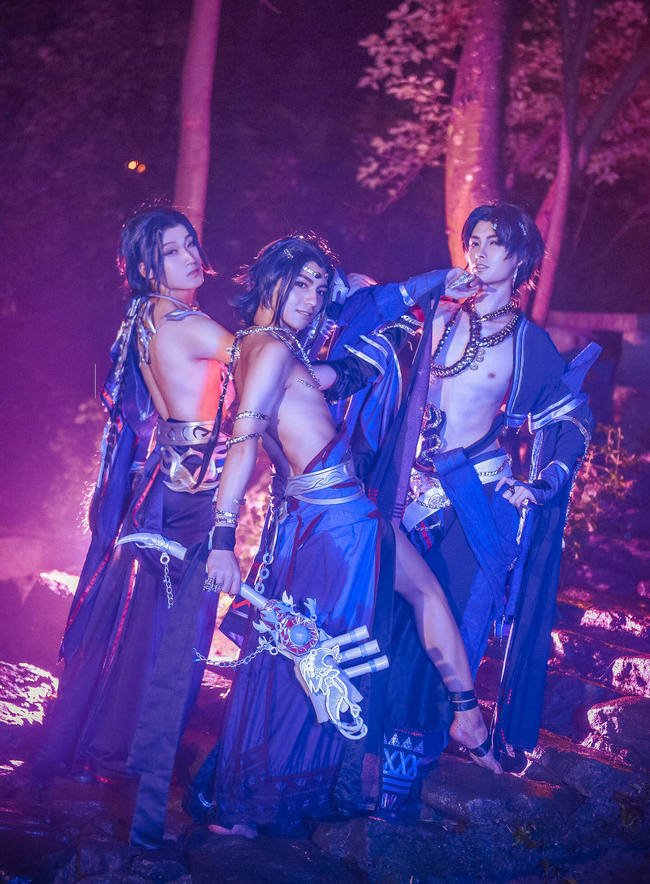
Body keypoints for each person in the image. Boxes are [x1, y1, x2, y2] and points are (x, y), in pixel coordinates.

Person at [186, 233, 501, 838]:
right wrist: (223, 539)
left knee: (307, 649)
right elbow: (244, 441)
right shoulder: (270, 349)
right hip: (339, 521)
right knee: (326, 647)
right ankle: (465, 722)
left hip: (320, 517)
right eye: (299, 283)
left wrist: (410, 318)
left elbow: (346, 374)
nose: (311, 298)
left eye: (318, 287)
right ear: (269, 280)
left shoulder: (267, 348)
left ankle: (248, 800)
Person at [366, 202, 599, 806]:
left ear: (520, 258)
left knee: (443, 621)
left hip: (468, 500)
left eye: (494, 241)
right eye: (474, 239)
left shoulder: (528, 344)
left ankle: (407, 768)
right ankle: (361, 755)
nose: (479, 249)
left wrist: (541, 483)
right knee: (383, 616)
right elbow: (369, 336)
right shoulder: (438, 315)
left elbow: (569, 419)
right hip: (401, 493)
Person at [35, 207, 234, 783]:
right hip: (191, 497)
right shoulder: (188, 324)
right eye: (172, 251)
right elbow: (276, 368)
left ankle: (114, 751)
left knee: (145, 626)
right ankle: (130, 759)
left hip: (162, 487)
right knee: (170, 634)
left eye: (190, 243)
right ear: (146, 266)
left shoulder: (144, 318)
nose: (190, 257)